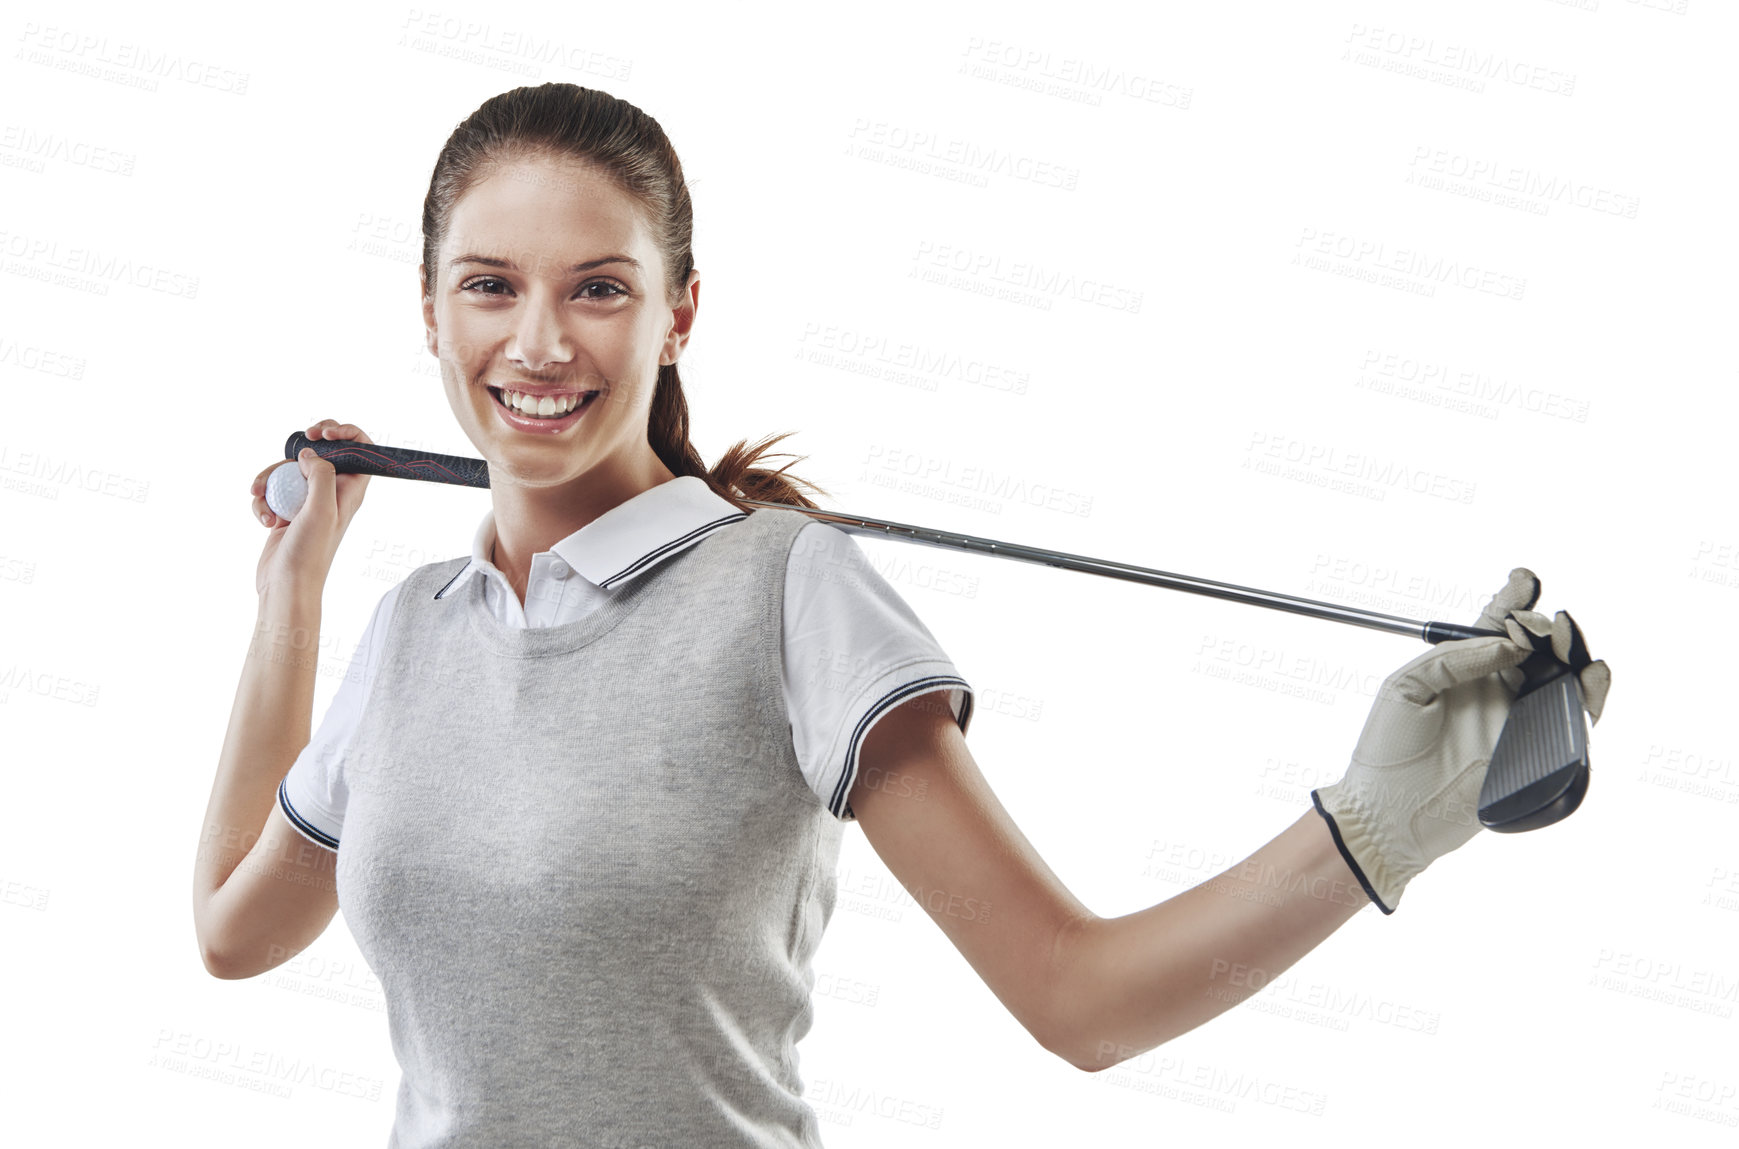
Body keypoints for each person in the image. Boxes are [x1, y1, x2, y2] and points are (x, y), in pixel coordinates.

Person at [192, 82, 1611, 1146]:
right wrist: (294, 587)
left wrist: (1367, 829)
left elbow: (1080, 998)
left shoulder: (784, 588)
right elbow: (236, 930)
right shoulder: (410, 633)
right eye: (490, 286)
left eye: (600, 288)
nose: (542, 341)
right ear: (430, 312)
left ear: (680, 313)